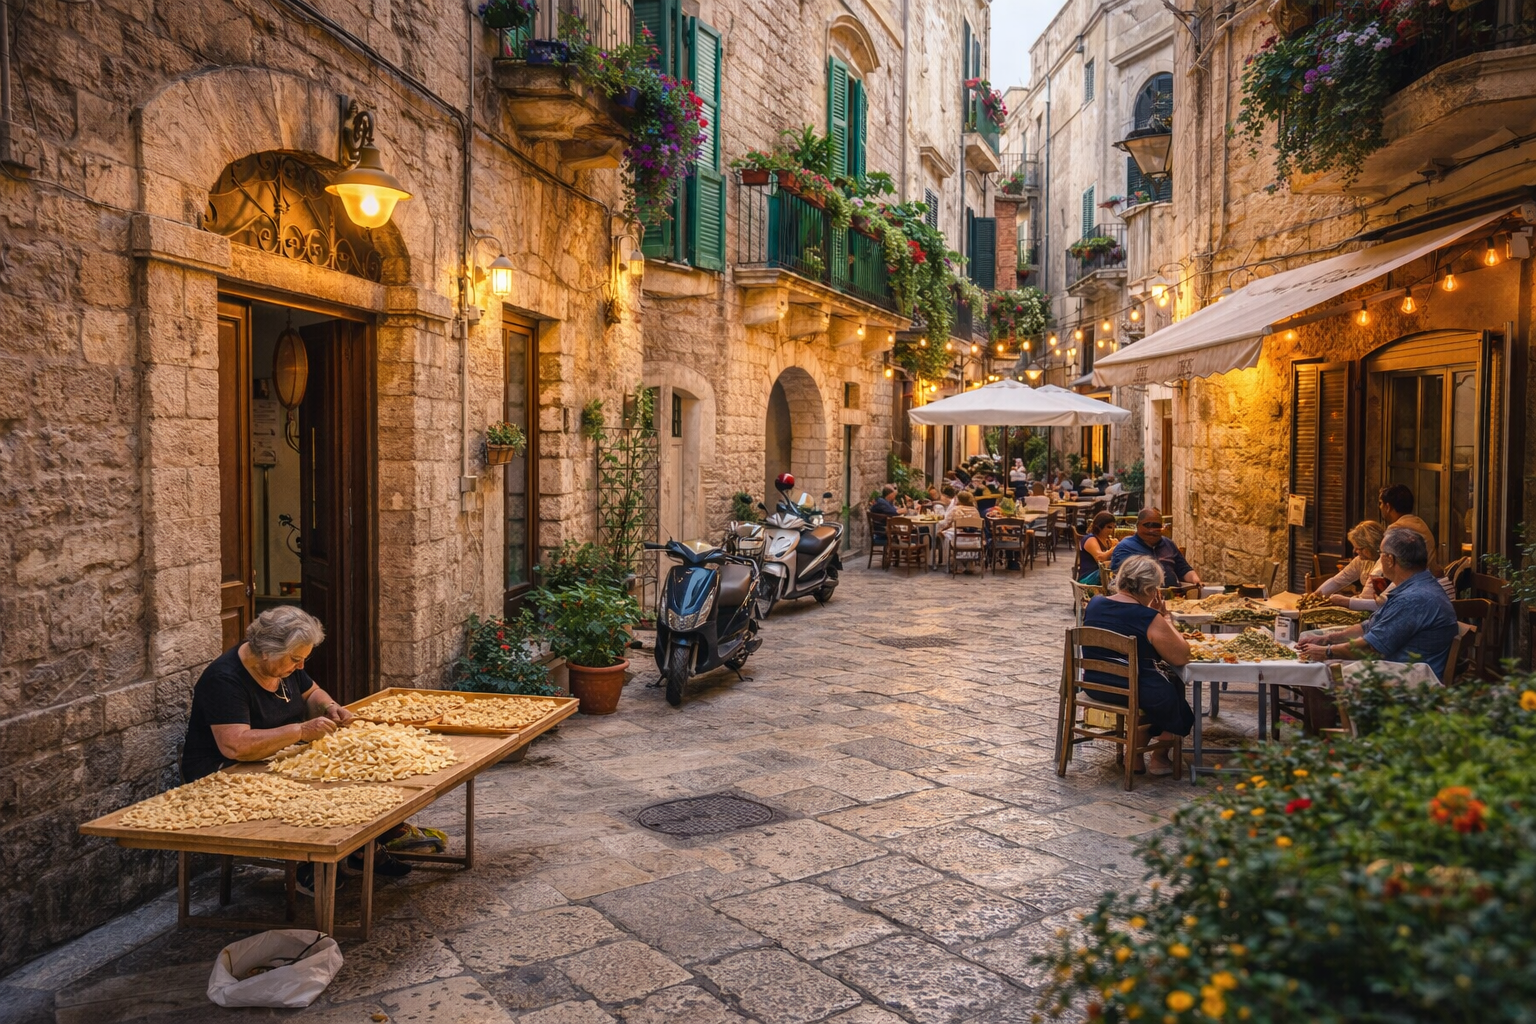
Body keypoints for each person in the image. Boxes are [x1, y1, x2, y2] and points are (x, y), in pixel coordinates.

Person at [181, 607, 414, 888]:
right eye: (295, 659)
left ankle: (361, 847)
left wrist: (329, 707)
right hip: (223, 769)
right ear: (266, 651)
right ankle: (312, 863)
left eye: (304, 659)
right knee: (318, 789)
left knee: (356, 771)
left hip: (272, 756)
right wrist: (301, 731)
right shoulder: (225, 679)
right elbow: (235, 746)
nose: (300, 666)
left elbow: (312, 693)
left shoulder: (284, 665)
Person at [1081, 555, 1197, 774]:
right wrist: (1166, 619)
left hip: (1095, 683)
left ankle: (1133, 758)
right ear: (1148, 589)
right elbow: (1181, 656)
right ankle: (1159, 757)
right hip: (1132, 688)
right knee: (1174, 699)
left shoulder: (1095, 604)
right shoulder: (1148, 617)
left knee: (1160, 689)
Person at [1298, 528, 1458, 679]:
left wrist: (1327, 652)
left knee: (1321, 670)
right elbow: (1369, 626)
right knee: (1322, 666)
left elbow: (1371, 647)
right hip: (1397, 667)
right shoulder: (1415, 587)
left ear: (1390, 560)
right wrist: (1327, 639)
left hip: (1406, 678)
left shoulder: (1413, 598)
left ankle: (1336, 707)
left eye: (1381, 553)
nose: (1379, 558)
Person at [1110, 508, 1200, 589]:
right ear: (1138, 526)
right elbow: (1122, 580)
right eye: (1148, 525)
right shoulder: (1125, 547)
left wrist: (1195, 579)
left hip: (1173, 597)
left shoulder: (1169, 544)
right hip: (1139, 599)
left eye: (1156, 526)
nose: (1152, 530)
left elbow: (1184, 570)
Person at [1315, 520, 1387, 611]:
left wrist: (1345, 601)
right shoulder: (1361, 560)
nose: (1356, 551)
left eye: (1359, 548)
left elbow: (1367, 597)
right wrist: (1317, 594)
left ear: (1371, 546)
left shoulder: (1385, 562)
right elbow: (1339, 580)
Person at [1378, 484, 1443, 576]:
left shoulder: (1397, 530)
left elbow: (1385, 567)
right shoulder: (1419, 522)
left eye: (1380, 503)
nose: (1379, 507)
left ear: (1387, 507)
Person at [1077, 511, 1118, 584]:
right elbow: (1100, 558)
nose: (1112, 530)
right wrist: (1114, 548)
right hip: (1089, 577)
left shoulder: (1108, 541)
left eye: (1113, 527)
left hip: (1101, 575)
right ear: (1099, 527)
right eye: (1109, 527)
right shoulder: (1091, 539)